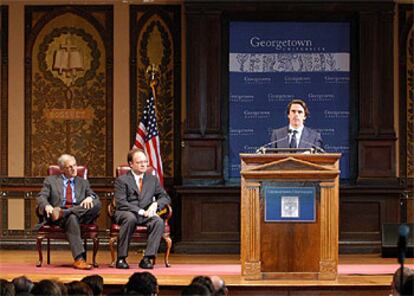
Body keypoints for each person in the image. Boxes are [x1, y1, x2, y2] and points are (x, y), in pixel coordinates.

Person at [36, 154, 101, 270]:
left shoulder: (83, 182)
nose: (74, 169)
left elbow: (94, 196)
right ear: (62, 169)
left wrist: (90, 197)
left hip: (77, 214)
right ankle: (79, 259)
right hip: (60, 220)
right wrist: (46, 206)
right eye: (69, 167)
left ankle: (64, 212)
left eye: (75, 165)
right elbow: (41, 197)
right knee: (72, 218)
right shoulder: (51, 181)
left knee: (96, 203)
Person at [114, 148, 171, 269]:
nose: (144, 164)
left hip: (146, 214)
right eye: (139, 162)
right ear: (131, 164)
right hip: (127, 212)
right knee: (130, 219)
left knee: (158, 221)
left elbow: (165, 197)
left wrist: (156, 204)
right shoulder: (121, 180)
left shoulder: (152, 179)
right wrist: (140, 211)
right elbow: (121, 202)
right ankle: (121, 258)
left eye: (145, 161)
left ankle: (147, 258)